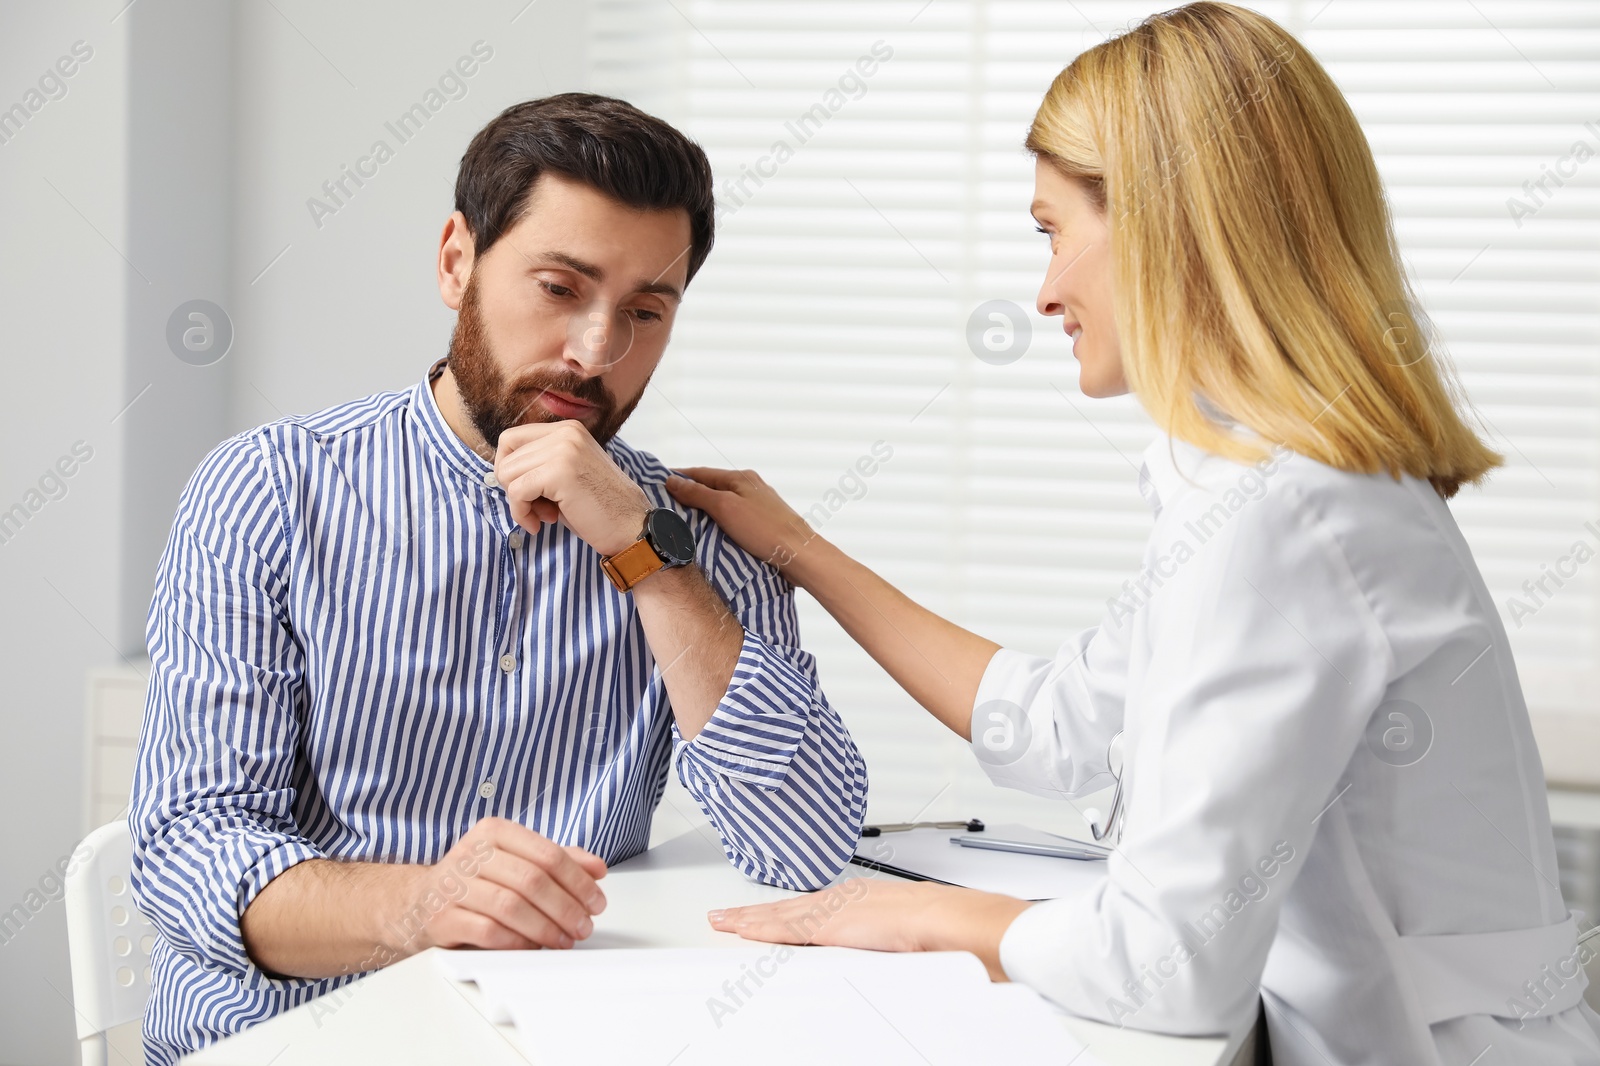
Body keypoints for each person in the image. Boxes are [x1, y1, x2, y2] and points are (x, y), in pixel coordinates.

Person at [674, 5, 1600, 1064]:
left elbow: (1165, 970)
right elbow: (1053, 723)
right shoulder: (1278, 484)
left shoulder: (1281, 511)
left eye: (1052, 231)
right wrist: (798, 549)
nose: (1046, 291)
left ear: (1164, 223)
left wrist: (933, 919)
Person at [129, 93, 868, 1064]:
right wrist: (422, 902)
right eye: (560, 287)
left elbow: (806, 846)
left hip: (568, 1037)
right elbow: (190, 845)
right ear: (456, 261)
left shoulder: (691, 535)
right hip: (289, 1040)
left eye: (646, 310)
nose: (598, 351)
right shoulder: (267, 492)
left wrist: (644, 559)